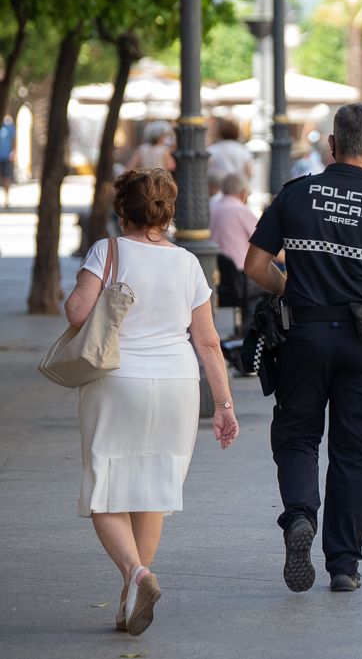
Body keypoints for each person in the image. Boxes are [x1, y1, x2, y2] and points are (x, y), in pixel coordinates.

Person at [243, 103, 362, 594]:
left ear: (330, 145)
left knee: (298, 437)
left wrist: (294, 291)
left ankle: (301, 516)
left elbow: (255, 265)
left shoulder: (296, 195)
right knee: (353, 453)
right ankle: (344, 565)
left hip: (303, 336)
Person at [63, 168, 239, 636]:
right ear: (168, 211)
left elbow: (78, 313)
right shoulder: (187, 263)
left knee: (104, 486)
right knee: (153, 489)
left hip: (118, 380)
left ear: (123, 210)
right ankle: (129, 598)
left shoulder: (109, 251)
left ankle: (137, 575)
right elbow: (208, 343)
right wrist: (223, 404)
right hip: (178, 384)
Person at [210, 173, 258, 271]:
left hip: (215, 266)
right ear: (243, 192)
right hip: (238, 270)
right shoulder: (241, 209)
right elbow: (263, 243)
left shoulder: (212, 206)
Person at [206, 118, 254, 185]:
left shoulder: (213, 149)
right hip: (237, 186)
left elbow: (207, 168)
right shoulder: (243, 149)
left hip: (218, 186)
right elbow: (249, 171)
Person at [0, 114, 15, 208]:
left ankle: (6, 199)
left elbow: (13, 139)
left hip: (5, 156)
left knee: (6, 177)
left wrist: (13, 152)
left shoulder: (9, 126)